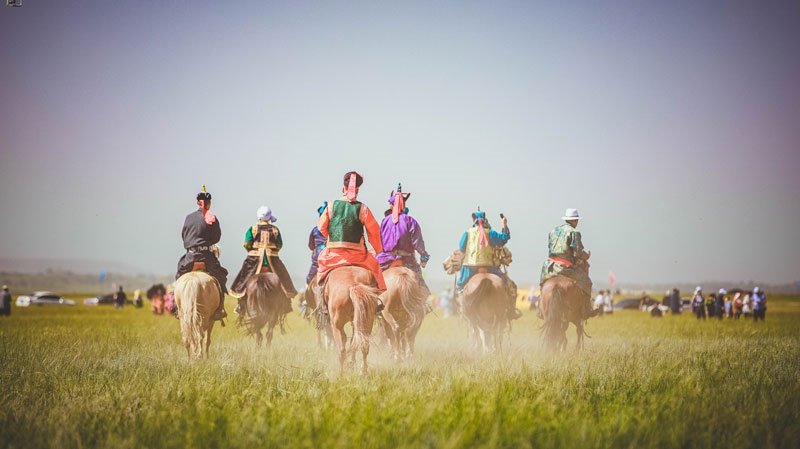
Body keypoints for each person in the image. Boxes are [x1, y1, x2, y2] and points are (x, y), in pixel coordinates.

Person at [316, 171, 387, 300]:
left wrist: (331, 237)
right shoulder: (363, 208)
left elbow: (321, 227)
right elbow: (374, 232)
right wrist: (378, 250)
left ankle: (322, 301)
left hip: (333, 256)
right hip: (358, 257)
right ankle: (377, 302)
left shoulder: (330, 206)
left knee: (320, 272)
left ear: (343, 188)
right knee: (375, 268)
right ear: (357, 190)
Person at [230, 206, 297, 315]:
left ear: (259, 217)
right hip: (272, 262)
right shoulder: (275, 230)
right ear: (269, 218)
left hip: (254, 261)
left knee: (243, 278)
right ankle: (287, 302)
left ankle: (240, 304)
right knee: (284, 277)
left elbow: (246, 244)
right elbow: (279, 245)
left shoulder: (252, 229)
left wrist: (252, 250)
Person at [175, 185, 229, 323]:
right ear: (208, 203)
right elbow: (216, 238)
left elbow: (184, 236)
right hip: (206, 257)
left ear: (198, 202)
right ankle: (220, 309)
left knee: (179, 276)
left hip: (190, 256)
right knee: (221, 276)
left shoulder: (188, 217)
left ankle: (177, 307)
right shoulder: (212, 218)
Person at [456, 208, 517, 319]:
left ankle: (462, 309)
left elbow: (461, 247)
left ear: (473, 220)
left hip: (470, 268)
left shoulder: (467, 233)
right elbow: (504, 239)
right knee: (504, 284)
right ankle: (510, 310)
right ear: (484, 219)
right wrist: (504, 225)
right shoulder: (490, 233)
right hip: (489, 267)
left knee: (460, 286)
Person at [539, 208, 595, 320]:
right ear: (575, 220)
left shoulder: (553, 231)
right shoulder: (574, 232)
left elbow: (550, 247)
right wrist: (586, 256)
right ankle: (587, 309)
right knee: (587, 282)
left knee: (543, 283)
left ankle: (540, 308)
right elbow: (578, 252)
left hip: (549, 266)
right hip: (565, 267)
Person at [375, 183, 431, 292]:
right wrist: (424, 256)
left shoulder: (384, 221)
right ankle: (426, 299)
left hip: (385, 259)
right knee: (422, 288)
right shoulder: (411, 221)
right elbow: (418, 243)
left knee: (372, 284)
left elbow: (379, 241)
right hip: (407, 260)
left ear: (392, 205)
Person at [306, 202, 329, 285]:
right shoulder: (334, 229)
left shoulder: (315, 230)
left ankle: (308, 286)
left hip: (318, 255)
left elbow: (311, 245)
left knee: (311, 275)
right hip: (332, 254)